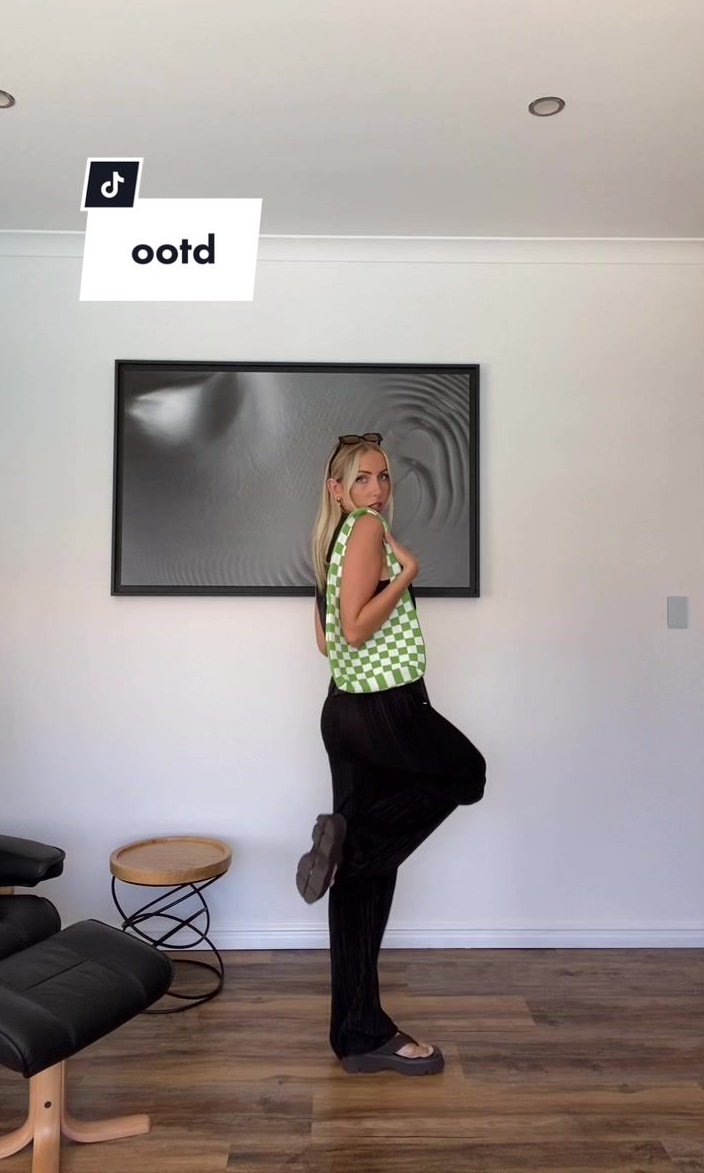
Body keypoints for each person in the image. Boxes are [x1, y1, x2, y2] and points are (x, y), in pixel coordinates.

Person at [296, 432, 487, 1076]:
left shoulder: (330, 541)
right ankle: (349, 841)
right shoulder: (369, 531)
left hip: (342, 710)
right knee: (466, 773)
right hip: (386, 709)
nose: (376, 490)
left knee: (364, 879)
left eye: (382, 477)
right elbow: (352, 629)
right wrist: (406, 575)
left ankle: (359, 1034)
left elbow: (327, 643)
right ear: (337, 489)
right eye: (362, 478)